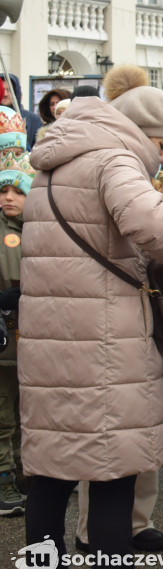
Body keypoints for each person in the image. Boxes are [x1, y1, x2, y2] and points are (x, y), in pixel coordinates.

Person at [20, 64, 163, 569]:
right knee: (113, 476)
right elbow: (154, 227)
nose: (161, 157)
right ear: (139, 131)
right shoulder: (115, 157)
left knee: (49, 480)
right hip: (104, 345)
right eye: (162, 146)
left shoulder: (54, 159)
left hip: (50, 343)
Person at [0, 152, 33, 517]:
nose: (9, 197)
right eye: (3, 190)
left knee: (29, 411)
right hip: (4, 336)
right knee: (3, 412)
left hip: (35, 336)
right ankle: (4, 476)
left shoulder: (40, 226)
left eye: (17, 191)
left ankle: (28, 472)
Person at [0, 74, 43, 150]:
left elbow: (38, 149)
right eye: (2, 90)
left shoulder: (33, 119)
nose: (5, 94)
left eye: (9, 90)